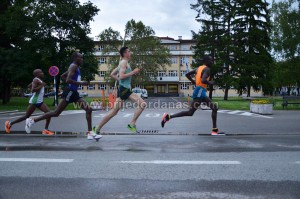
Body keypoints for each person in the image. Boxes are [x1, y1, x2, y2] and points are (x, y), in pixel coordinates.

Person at [25, 52, 102, 140]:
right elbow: (68, 80)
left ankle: (90, 133)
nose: (82, 60)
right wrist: (81, 83)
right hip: (70, 92)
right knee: (56, 113)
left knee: (88, 109)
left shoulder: (75, 67)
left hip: (74, 92)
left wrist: (75, 84)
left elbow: (62, 76)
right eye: (81, 58)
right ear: (76, 58)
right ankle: (32, 120)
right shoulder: (73, 66)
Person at [161, 55, 223, 136]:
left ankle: (215, 130)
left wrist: (193, 81)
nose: (212, 62)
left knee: (214, 107)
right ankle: (168, 117)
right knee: (190, 112)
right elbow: (204, 80)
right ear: (206, 61)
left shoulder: (198, 68)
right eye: (211, 60)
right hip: (200, 91)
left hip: (201, 91)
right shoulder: (207, 69)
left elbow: (187, 74)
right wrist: (210, 83)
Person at [93, 46, 146, 134]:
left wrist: (121, 82)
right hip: (125, 90)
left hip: (123, 89)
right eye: (129, 51)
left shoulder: (122, 63)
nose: (130, 53)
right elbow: (121, 76)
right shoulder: (124, 62)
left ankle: (97, 128)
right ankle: (132, 124)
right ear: (124, 53)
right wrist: (133, 72)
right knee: (142, 104)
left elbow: (112, 74)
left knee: (114, 112)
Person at [5, 69, 54, 135]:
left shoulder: (37, 80)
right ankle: (9, 124)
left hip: (40, 101)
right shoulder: (36, 80)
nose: (42, 73)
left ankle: (46, 130)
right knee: (26, 116)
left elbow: (29, 86)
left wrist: (38, 84)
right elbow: (33, 90)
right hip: (34, 101)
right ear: (37, 74)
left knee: (49, 113)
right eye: (41, 72)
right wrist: (42, 85)